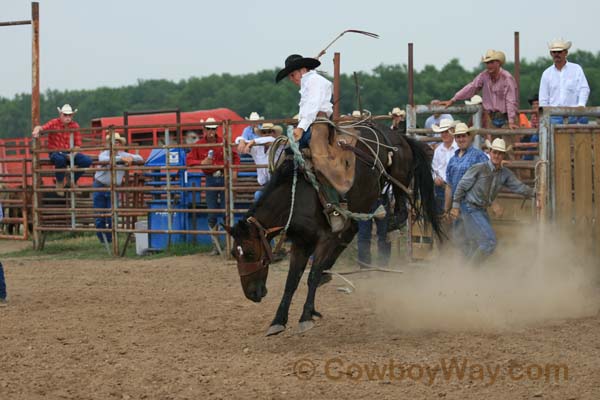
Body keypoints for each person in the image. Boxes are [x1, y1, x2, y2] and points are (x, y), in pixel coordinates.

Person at [276, 54, 349, 232]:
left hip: (318, 124)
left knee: (320, 160)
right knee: (290, 159)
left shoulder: (315, 82)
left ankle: (337, 206)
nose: (292, 80)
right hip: (310, 124)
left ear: (302, 70)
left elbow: (312, 106)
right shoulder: (310, 82)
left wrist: (300, 128)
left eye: (292, 75)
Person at [450, 138, 535, 263]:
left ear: (503, 155)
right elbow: (462, 185)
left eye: (500, 153)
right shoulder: (479, 168)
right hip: (470, 208)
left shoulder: (505, 173)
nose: (497, 155)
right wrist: (455, 206)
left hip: (481, 210)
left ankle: (468, 270)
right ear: (490, 152)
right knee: (489, 242)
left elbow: (519, 187)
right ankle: (471, 271)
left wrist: (535, 193)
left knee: (478, 242)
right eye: (495, 152)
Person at [187, 117, 240, 252]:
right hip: (210, 178)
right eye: (209, 129)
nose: (211, 131)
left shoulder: (223, 142)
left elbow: (235, 157)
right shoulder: (199, 144)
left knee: (225, 210)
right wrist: (201, 163)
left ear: (216, 129)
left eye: (213, 129)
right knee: (212, 212)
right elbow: (189, 160)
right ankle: (216, 245)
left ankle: (228, 245)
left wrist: (234, 171)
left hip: (223, 177)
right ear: (204, 130)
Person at [440, 50, 519, 129]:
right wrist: (453, 99)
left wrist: (511, 121)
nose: (489, 65)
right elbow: (472, 87)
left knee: (507, 140)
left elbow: (510, 100)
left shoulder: (507, 78)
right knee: (494, 141)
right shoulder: (484, 76)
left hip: (507, 118)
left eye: (491, 62)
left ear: (498, 63)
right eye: (487, 63)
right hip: (492, 118)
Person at [93, 132, 144, 244]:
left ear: (120, 144)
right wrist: (123, 158)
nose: (115, 144)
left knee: (113, 215)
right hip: (100, 186)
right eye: (113, 142)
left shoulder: (123, 154)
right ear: (108, 144)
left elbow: (140, 158)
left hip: (113, 187)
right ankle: (104, 240)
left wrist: (129, 157)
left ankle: (110, 240)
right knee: (99, 216)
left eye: (117, 142)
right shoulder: (104, 154)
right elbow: (105, 160)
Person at [31, 104, 93, 196]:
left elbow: (78, 144)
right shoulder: (54, 123)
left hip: (70, 152)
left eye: (69, 115)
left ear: (72, 116)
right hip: (56, 152)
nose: (67, 117)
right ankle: (60, 182)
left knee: (87, 160)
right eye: (65, 115)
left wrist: (73, 154)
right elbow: (42, 127)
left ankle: (72, 180)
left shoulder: (75, 126)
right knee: (60, 159)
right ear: (61, 115)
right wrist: (36, 130)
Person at [539, 39, 590, 124]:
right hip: (554, 115)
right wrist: (545, 115)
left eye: (559, 52)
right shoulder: (546, 74)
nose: (556, 54)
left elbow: (584, 88)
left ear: (566, 53)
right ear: (551, 54)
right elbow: (543, 99)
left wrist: (581, 106)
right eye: (554, 52)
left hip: (574, 114)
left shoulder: (576, 69)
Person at [234, 122, 283, 201]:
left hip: (278, 184)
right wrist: (242, 141)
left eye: (269, 131)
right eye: (264, 132)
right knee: (258, 196)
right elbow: (237, 140)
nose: (267, 134)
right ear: (261, 134)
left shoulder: (278, 144)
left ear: (273, 133)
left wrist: (252, 142)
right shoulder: (257, 148)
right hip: (265, 185)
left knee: (259, 196)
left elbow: (270, 139)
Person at [431, 119, 458, 214]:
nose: (444, 134)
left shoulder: (459, 148)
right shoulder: (438, 150)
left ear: (452, 132)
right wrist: (435, 178)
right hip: (441, 187)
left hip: (457, 187)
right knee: (441, 214)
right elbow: (434, 169)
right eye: (442, 132)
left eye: (446, 132)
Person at [357, 196, 391, 269]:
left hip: (379, 198)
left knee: (383, 234)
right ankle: (365, 266)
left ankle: (383, 264)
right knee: (364, 235)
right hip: (365, 200)